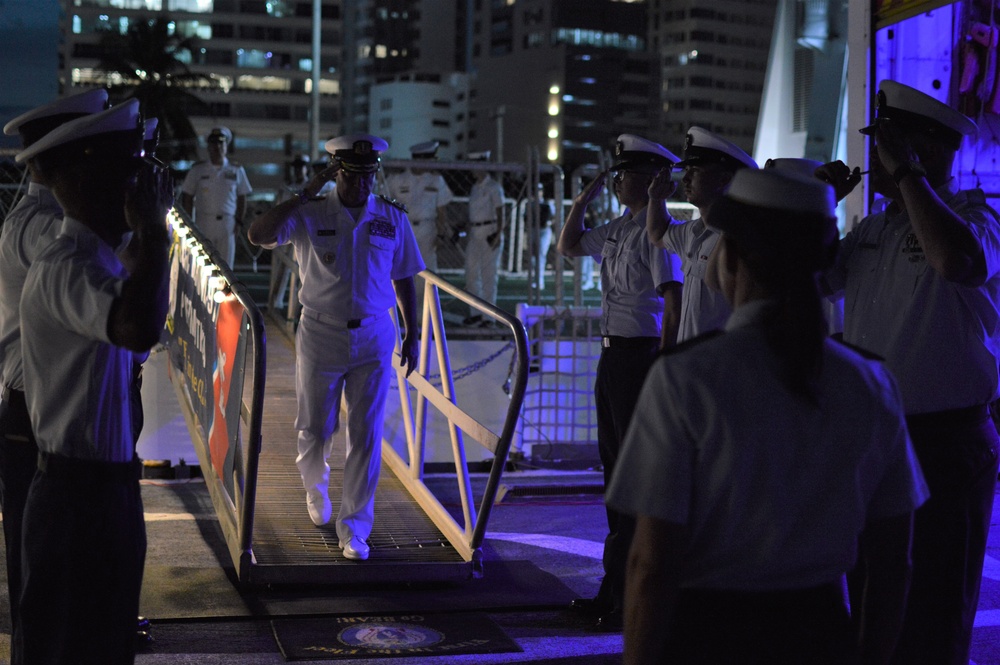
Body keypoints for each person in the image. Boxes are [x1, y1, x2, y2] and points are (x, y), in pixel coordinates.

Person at [609, 168, 929, 665]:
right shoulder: (870, 383)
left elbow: (651, 563)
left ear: (731, 256)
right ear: (824, 264)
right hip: (820, 633)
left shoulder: (685, 377)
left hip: (706, 635)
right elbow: (893, 563)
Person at [818, 79, 1000, 665]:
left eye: (893, 143)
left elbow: (955, 261)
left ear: (932, 148)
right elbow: (816, 278)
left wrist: (909, 176)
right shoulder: (873, 229)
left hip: (946, 441)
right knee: (875, 597)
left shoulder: (978, 216)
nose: (880, 157)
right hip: (876, 435)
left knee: (937, 608)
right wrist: (819, 205)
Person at [13, 98, 173, 665]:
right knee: (67, 647)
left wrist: (148, 239)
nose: (134, 189)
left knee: (102, 644)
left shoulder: (99, 258)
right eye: (124, 174)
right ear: (85, 180)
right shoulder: (65, 265)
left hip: (101, 490)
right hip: (75, 498)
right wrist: (155, 232)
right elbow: (137, 326)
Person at [247, 133, 423, 562]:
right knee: (315, 427)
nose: (360, 184)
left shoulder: (391, 218)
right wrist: (307, 190)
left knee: (366, 434)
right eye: (351, 175)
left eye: (368, 175)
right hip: (320, 333)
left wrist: (413, 334)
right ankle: (315, 483)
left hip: (375, 335)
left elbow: (404, 278)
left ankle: (355, 529)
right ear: (336, 172)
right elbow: (258, 234)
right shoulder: (309, 213)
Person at [556, 133, 683, 631]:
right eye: (617, 172)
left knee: (634, 482)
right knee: (615, 477)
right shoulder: (615, 230)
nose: (617, 180)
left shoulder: (658, 231)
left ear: (653, 180)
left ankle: (629, 598)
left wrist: (666, 366)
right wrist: (581, 202)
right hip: (612, 360)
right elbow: (568, 245)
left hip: (640, 358)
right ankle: (613, 591)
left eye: (627, 173)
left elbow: (671, 301)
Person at [0, 88, 110, 654]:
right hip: (33, 417)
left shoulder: (38, 221)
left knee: (52, 579)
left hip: (41, 408)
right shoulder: (41, 228)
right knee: (37, 582)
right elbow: (105, 258)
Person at [646, 126, 757, 342]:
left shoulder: (738, 238)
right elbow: (658, 234)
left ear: (724, 179)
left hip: (719, 363)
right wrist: (656, 199)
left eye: (695, 170)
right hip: (692, 358)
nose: (686, 179)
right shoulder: (693, 231)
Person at [179, 126, 252, 267]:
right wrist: (190, 224)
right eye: (213, 143)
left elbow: (242, 197)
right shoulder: (197, 170)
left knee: (226, 267)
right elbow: (187, 196)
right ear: (208, 146)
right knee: (202, 264)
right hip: (203, 222)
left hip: (227, 223)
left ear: (226, 146)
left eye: (221, 143)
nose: (217, 147)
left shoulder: (236, 170)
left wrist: (239, 222)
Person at [385, 140, 454, 272]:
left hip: (427, 230)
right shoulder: (397, 179)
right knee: (403, 270)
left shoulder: (436, 180)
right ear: (421, 159)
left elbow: (441, 211)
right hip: (404, 228)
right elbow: (385, 205)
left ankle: (425, 293)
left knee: (427, 270)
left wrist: (440, 234)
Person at [463, 158, 506, 326]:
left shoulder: (494, 187)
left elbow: (500, 211)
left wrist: (498, 234)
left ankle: (489, 317)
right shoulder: (474, 188)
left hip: (489, 229)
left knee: (489, 275)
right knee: (471, 273)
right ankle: (476, 312)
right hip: (475, 232)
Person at [530, 182, 555, 290]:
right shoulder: (530, 204)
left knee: (541, 255)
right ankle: (533, 279)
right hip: (533, 230)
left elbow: (553, 217)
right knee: (533, 256)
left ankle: (540, 281)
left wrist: (548, 222)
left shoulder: (547, 204)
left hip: (544, 230)